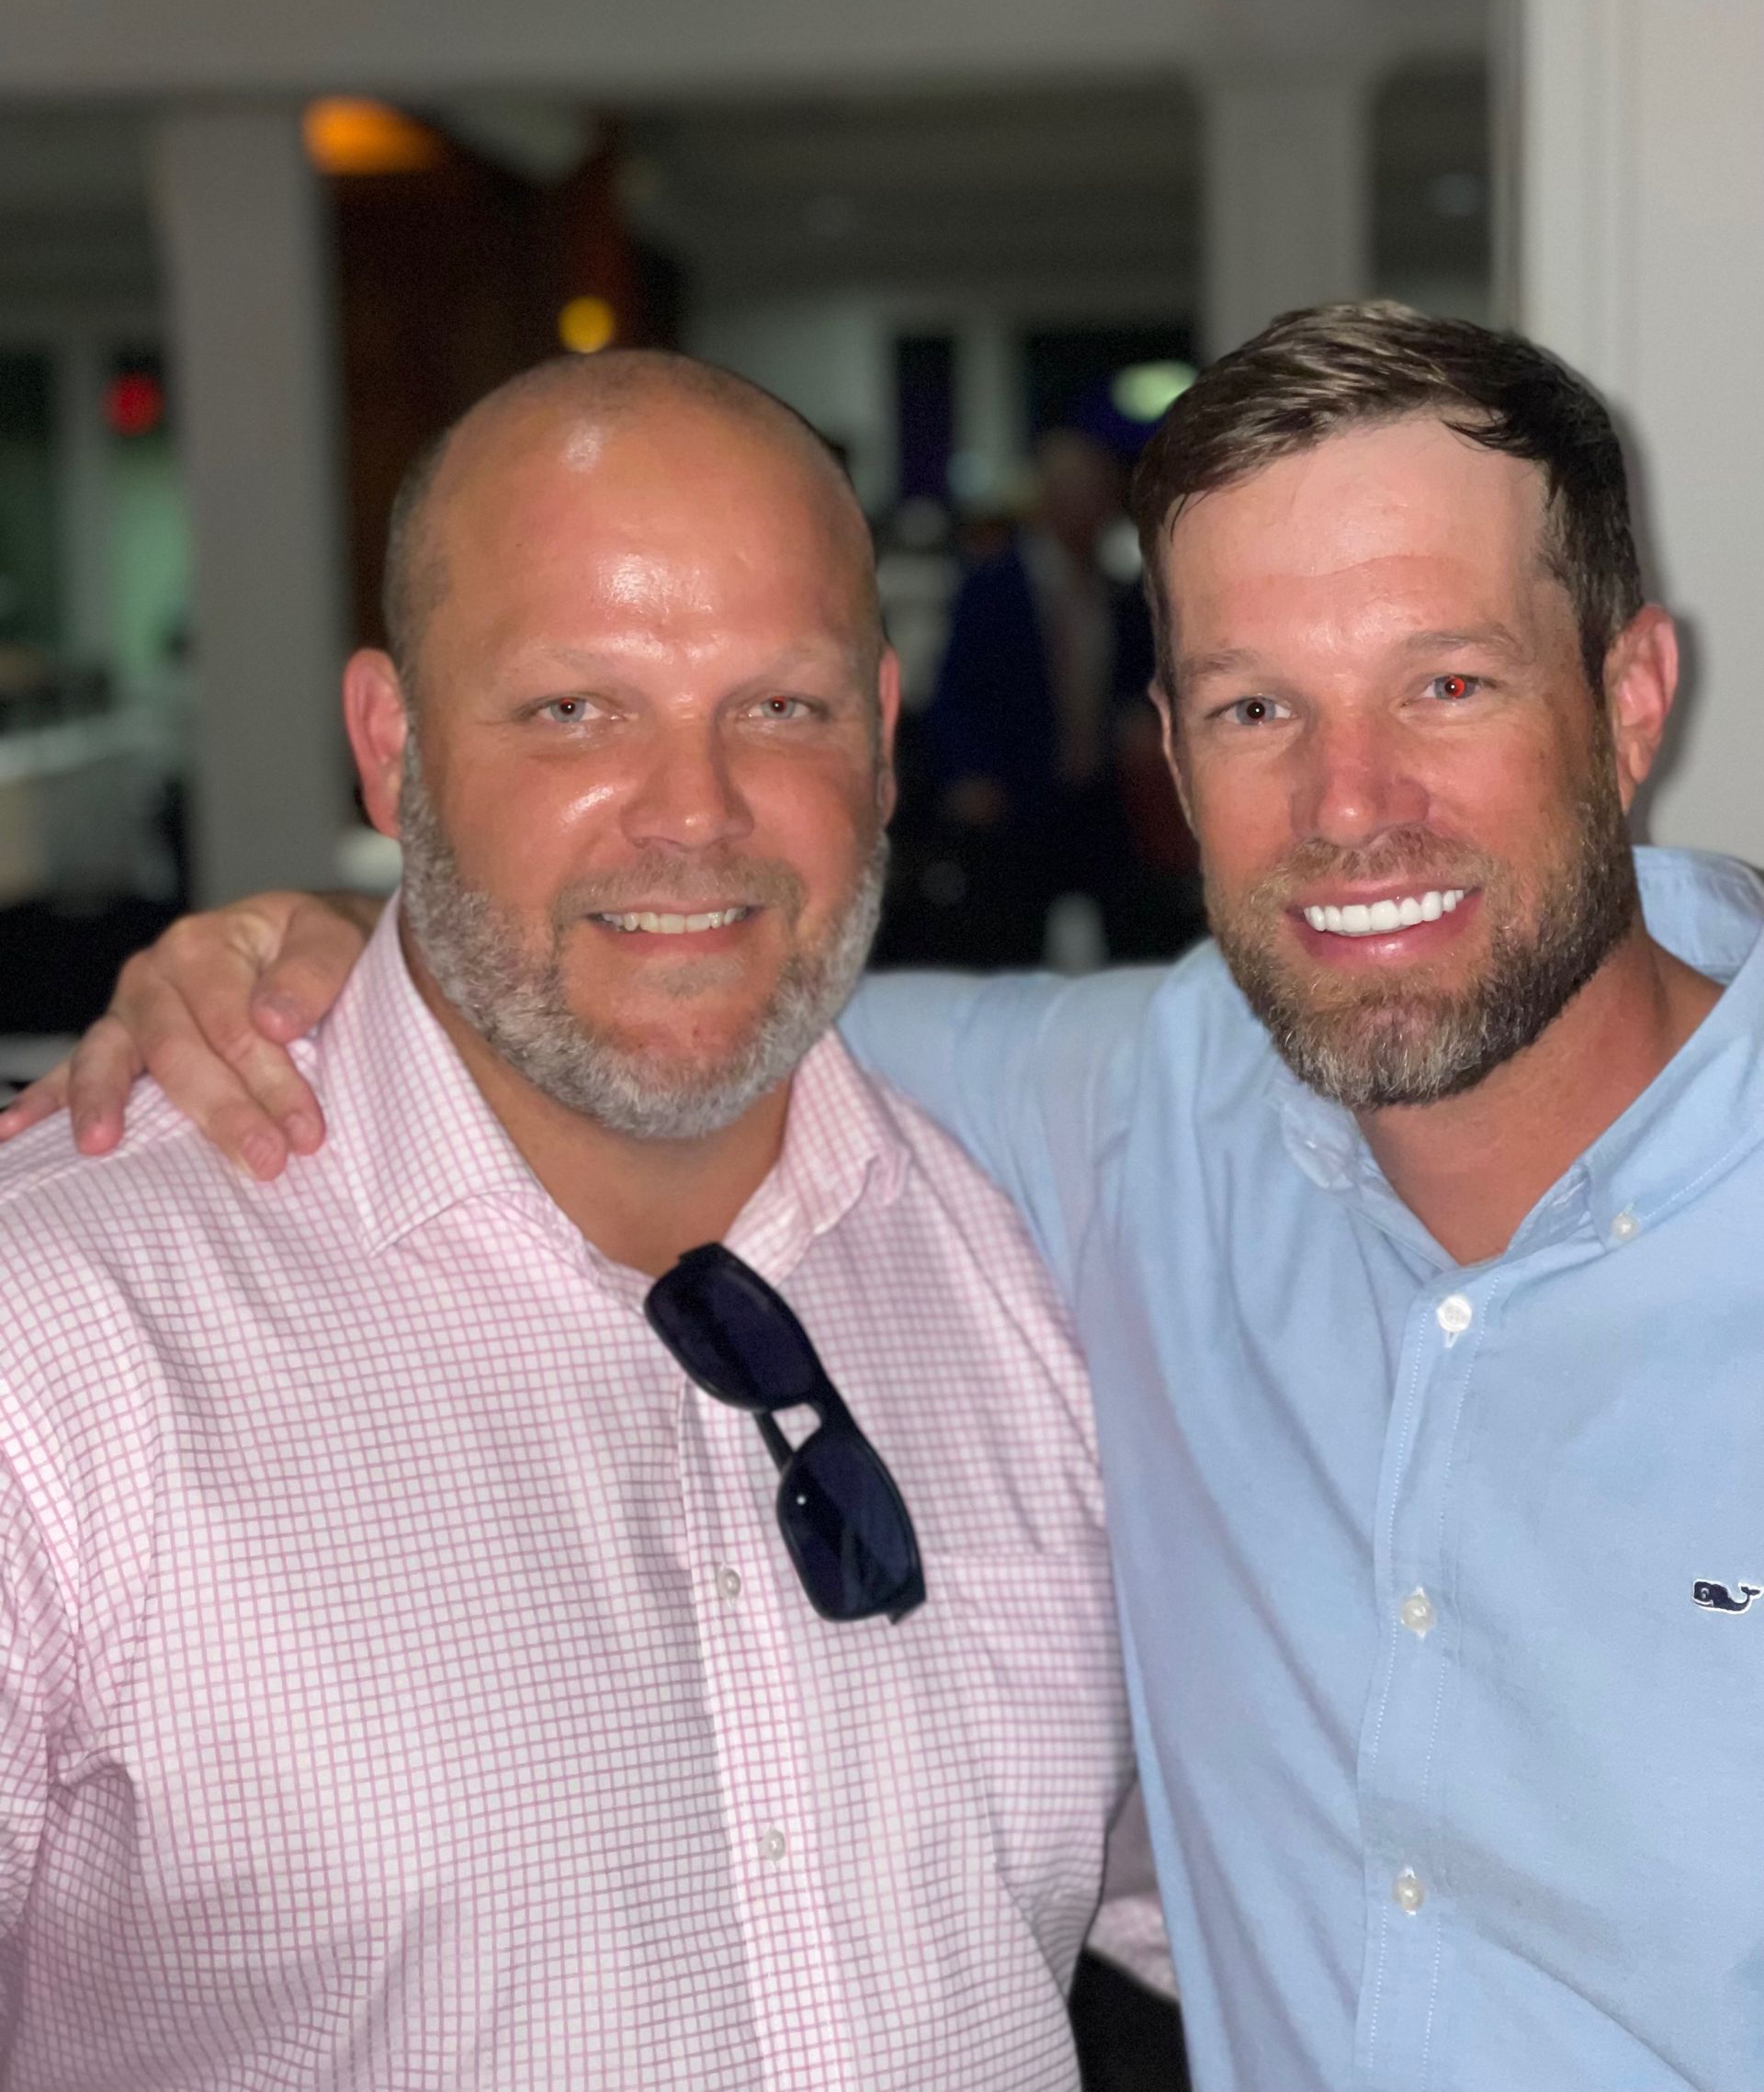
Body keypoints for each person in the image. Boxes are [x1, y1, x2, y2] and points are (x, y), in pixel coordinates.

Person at [20, 300, 1755, 2092]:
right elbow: (641, 1014)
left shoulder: (1013, 1230)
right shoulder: (1091, 1147)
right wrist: (355, 955)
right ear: (391, 749)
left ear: (1630, 699)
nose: (1354, 799)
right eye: (572, 710)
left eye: (1448, 681)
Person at [0, 352, 1157, 2087]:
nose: (693, 813)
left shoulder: (1035, 1264)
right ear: (393, 748)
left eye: (780, 707)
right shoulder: (60, 1342)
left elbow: (1305, 1888)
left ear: (886, 736)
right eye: (573, 711)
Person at [923, 429, 1193, 965]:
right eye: (1077, 491)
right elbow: (955, 689)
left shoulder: (1119, 591)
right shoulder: (994, 585)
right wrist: (969, 773)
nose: (1091, 506)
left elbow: (1138, 684)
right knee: (1012, 942)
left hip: (1101, 795)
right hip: (1016, 795)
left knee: (1127, 937)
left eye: (1099, 492)